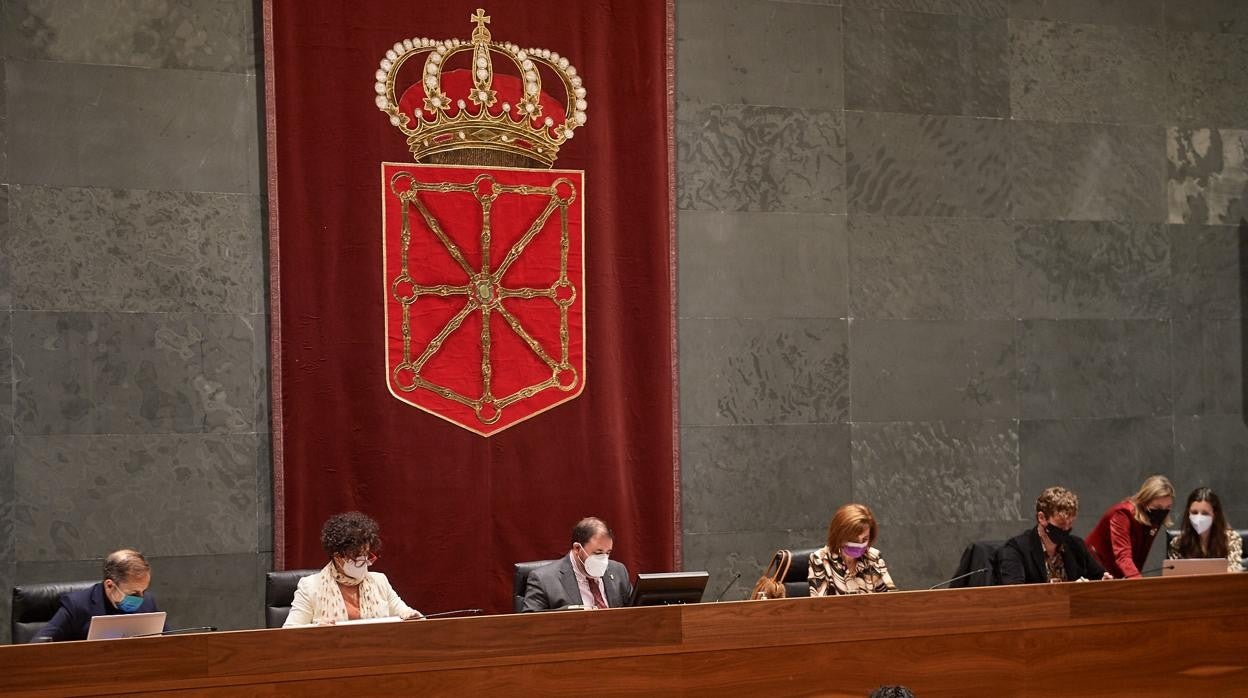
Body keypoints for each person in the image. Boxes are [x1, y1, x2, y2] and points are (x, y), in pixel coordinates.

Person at [284, 511, 422, 626]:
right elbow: (288, 634)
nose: (365, 562)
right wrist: (315, 629)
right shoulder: (310, 587)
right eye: (358, 558)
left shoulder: (380, 581)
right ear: (338, 557)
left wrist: (412, 616)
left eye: (366, 555)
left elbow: (412, 616)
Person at [36, 549, 163, 642]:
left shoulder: (148, 602)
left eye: (143, 590)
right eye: (134, 593)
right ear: (109, 585)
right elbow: (39, 644)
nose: (141, 597)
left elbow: (167, 640)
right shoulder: (77, 605)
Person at [997, 486, 1110, 584]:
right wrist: (1068, 589)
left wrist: (1104, 581)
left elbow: (1098, 576)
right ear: (1041, 518)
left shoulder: (1076, 546)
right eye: (1061, 524)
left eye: (1070, 524)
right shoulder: (1016, 549)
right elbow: (1015, 593)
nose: (1066, 529)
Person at [521, 516, 633, 611]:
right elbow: (530, 625)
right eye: (597, 553)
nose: (604, 560)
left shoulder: (618, 571)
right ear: (577, 548)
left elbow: (636, 614)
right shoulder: (543, 580)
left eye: (607, 553)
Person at [1085, 475, 1175, 579]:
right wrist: (1138, 583)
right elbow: (1123, 556)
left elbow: (1139, 556)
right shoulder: (1123, 514)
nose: (1163, 511)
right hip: (1096, 569)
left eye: (1168, 507)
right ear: (1144, 502)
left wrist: (1135, 579)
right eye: (1157, 507)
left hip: (1119, 573)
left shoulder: (1154, 517)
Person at [809, 503, 895, 596]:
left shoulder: (873, 557)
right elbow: (819, 606)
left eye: (865, 539)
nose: (859, 545)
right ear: (839, 535)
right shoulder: (820, 559)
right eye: (853, 540)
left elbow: (891, 599)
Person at [1168, 487, 1244, 573]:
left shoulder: (1231, 539)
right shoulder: (1178, 543)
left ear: (1215, 515)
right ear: (1188, 513)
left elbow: (1234, 573)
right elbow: (1175, 576)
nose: (1199, 518)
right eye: (1194, 512)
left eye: (1205, 513)